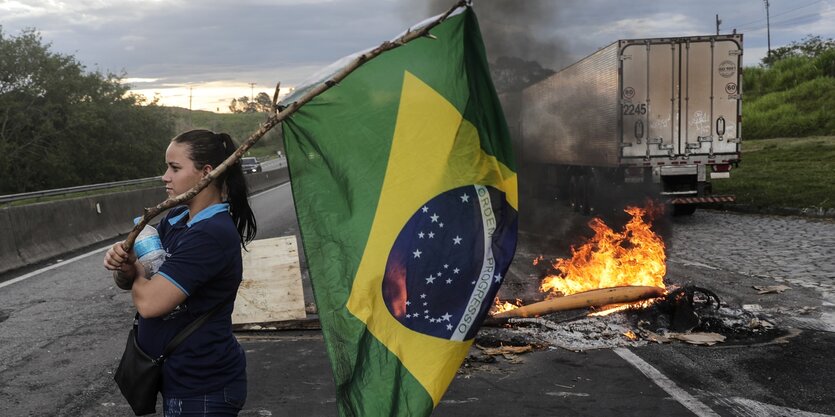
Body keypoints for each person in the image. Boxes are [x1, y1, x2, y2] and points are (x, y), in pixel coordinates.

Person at [103, 129, 257, 416]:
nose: (165, 176)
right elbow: (140, 277)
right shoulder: (176, 218)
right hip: (179, 380)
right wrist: (125, 268)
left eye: (174, 168)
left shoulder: (211, 233)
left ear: (206, 172)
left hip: (204, 389)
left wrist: (135, 271)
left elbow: (150, 303)